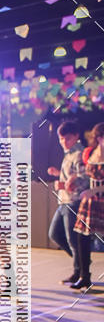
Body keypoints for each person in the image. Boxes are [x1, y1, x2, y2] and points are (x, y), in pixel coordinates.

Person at [47, 121, 89, 285]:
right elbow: (71, 175)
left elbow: (84, 178)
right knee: (55, 234)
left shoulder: (79, 154)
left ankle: (80, 271)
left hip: (74, 201)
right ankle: (80, 266)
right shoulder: (68, 153)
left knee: (73, 239)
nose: (64, 142)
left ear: (76, 137)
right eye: (61, 139)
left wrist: (65, 184)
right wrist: (59, 175)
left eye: (68, 138)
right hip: (63, 200)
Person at [72, 122, 104, 289]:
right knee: (82, 237)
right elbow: (83, 174)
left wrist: (96, 190)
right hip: (90, 200)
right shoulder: (89, 153)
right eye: (101, 136)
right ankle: (85, 276)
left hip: (100, 197)